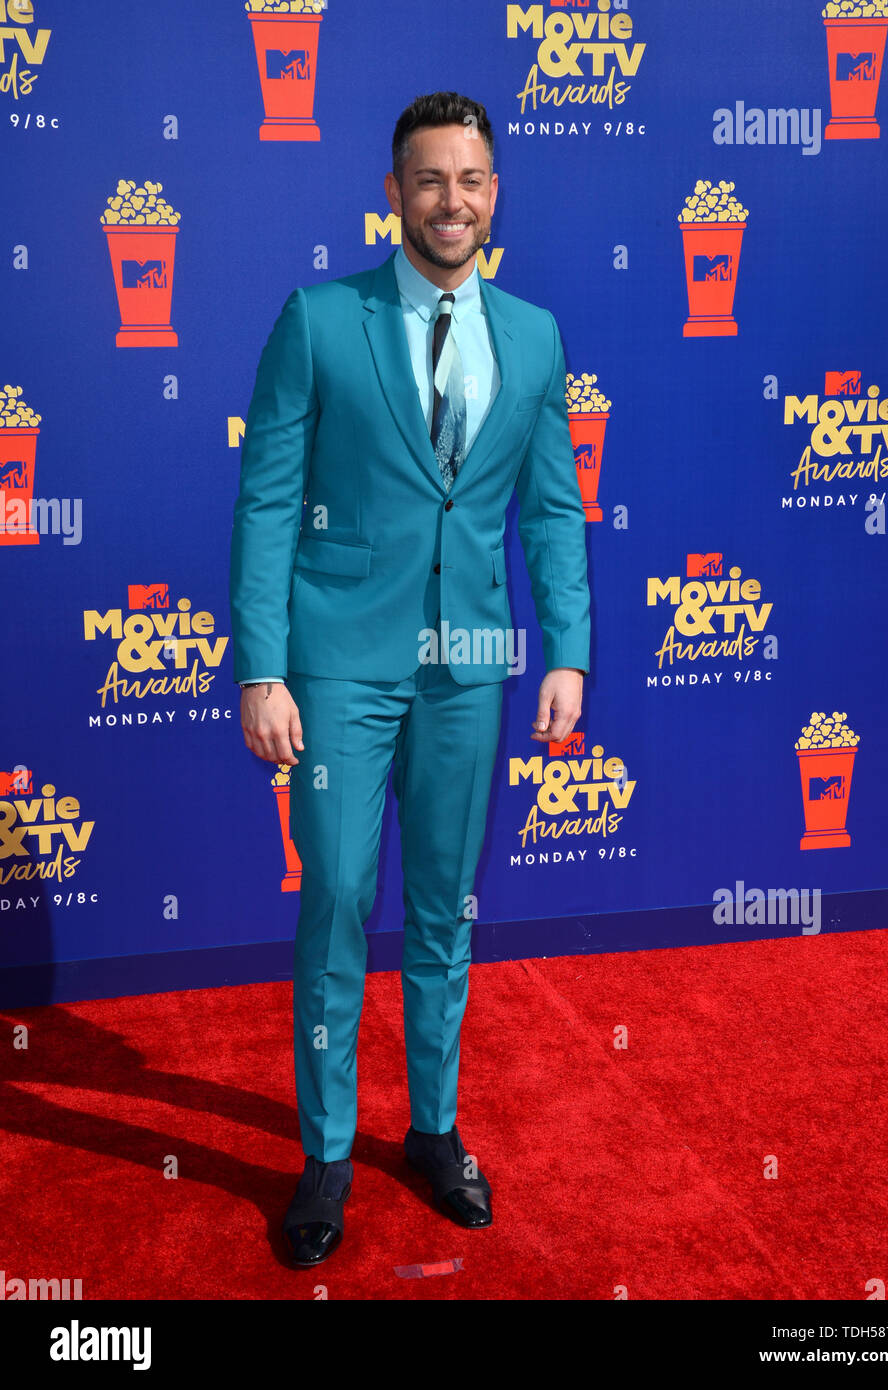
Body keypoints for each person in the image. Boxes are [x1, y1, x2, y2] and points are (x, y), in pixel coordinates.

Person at [229, 91, 591, 1267]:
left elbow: (551, 508)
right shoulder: (320, 319)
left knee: (445, 908)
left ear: (496, 193)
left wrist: (569, 648)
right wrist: (262, 668)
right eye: (429, 180)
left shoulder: (533, 334)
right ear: (392, 193)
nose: (452, 201)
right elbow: (269, 499)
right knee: (334, 896)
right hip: (336, 662)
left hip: (471, 664)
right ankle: (326, 1153)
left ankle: (431, 1130)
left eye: (471, 180)